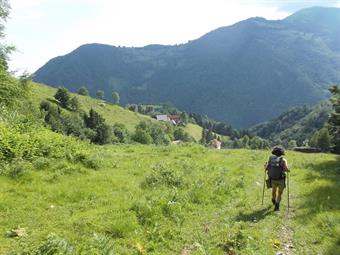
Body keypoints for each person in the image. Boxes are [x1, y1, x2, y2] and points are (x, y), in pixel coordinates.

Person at [264, 146, 289, 211]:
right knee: (280, 193)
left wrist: (265, 166)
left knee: (274, 190)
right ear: (281, 153)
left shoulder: (270, 158)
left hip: (272, 179)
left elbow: (267, 168)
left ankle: (273, 199)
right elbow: (286, 169)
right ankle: (277, 205)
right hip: (281, 179)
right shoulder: (283, 160)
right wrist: (288, 170)